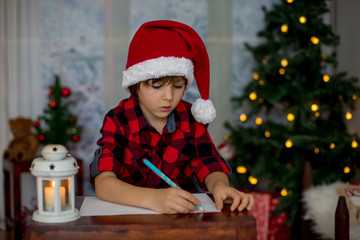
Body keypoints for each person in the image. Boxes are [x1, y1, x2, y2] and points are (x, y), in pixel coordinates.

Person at [90, 20, 254, 214]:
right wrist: (154, 199)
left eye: (177, 86)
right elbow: (104, 183)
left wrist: (220, 186)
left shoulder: (190, 119)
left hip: (181, 218)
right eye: (157, 86)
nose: (168, 96)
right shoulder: (118, 120)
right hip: (129, 219)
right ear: (136, 83)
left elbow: (209, 163)